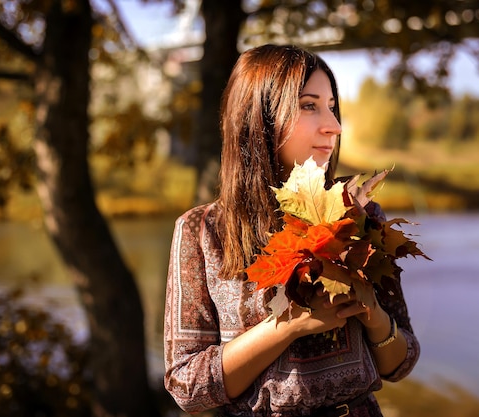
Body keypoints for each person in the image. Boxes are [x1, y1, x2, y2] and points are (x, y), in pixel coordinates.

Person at [163, 44, 419, 416]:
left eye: (332, 106)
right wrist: (287, 327)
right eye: (309, 105)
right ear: (259, 117)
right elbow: (187, 387)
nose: (333, 125)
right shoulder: (203, 232)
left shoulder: (360, 214)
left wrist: (374, 315)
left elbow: (403, 362)